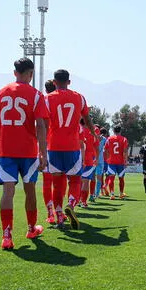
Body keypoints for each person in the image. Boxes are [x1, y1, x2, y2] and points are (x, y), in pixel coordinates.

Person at [0, 58, 48, 249]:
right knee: (29, 190)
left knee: (8, 191)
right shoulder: (36, 95)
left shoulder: (1, 92)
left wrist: (0, 140)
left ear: (14, 72)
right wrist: (43, 152)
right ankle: (32, 228)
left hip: (6, 149)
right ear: (31, 74)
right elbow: (40, 125)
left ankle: (6, 236)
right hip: (28, 150)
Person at [45, 69, 95, 230]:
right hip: (72, 146)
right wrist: (94, 132)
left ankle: (59, 216)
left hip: (53, 146)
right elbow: (87, 118)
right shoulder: (79, 98)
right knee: (75, 180)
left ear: (54, 82)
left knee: (57, 183)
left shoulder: (47, 99)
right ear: (69, 82)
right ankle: (71, 204)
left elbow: (43, 123)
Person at [42, 79, 57, 224]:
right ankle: (59, 211)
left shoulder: (43, 100)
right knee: (59, 182)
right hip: (61, 147)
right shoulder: (63, 100)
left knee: (47, 182)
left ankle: (50, 213)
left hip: (45, 146)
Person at [104, 126, 129, 199]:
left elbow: (106, 150)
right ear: (120, 131)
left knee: (111, 178)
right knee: (121, 178)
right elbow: (125, 151)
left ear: (113, 131)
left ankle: (112, 195)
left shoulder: (109, 139)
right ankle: (121, 194)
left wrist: (107, 158)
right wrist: (125, 161)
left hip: (111, 162)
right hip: (120, 162)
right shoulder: (124, 139)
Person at [79, 118, 98, 208]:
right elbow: (96, 146)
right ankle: (83, 202)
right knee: (86, 181)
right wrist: (97, 158)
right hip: (88, 160)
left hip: (77, 159)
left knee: (76, 181)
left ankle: (75, 200)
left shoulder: (77, 130)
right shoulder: (93, 132)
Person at [93, 127, 109, 198]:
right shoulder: (104, 139)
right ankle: (97, 194)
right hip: (101, 160)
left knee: (92, 178)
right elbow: (106, 150)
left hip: (93, 159)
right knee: (99, 178)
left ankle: (92, 193)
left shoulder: (92, 138)